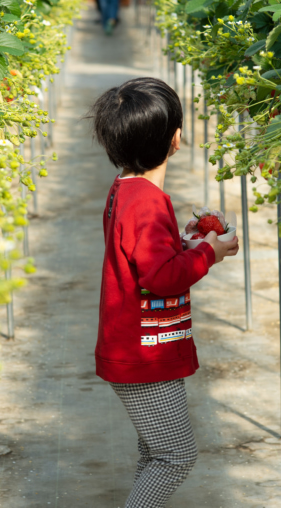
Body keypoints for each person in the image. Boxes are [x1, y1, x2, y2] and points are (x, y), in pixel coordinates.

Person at [88, 77, 239, 507]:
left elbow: (141, 259)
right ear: (175, 139)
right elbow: (161, 278)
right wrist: (209, 252)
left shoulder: (126, 190)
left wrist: (188, 243)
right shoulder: (147, 202)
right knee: (175, 456)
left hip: (136, 345)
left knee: (156, 453)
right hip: (144, 353)